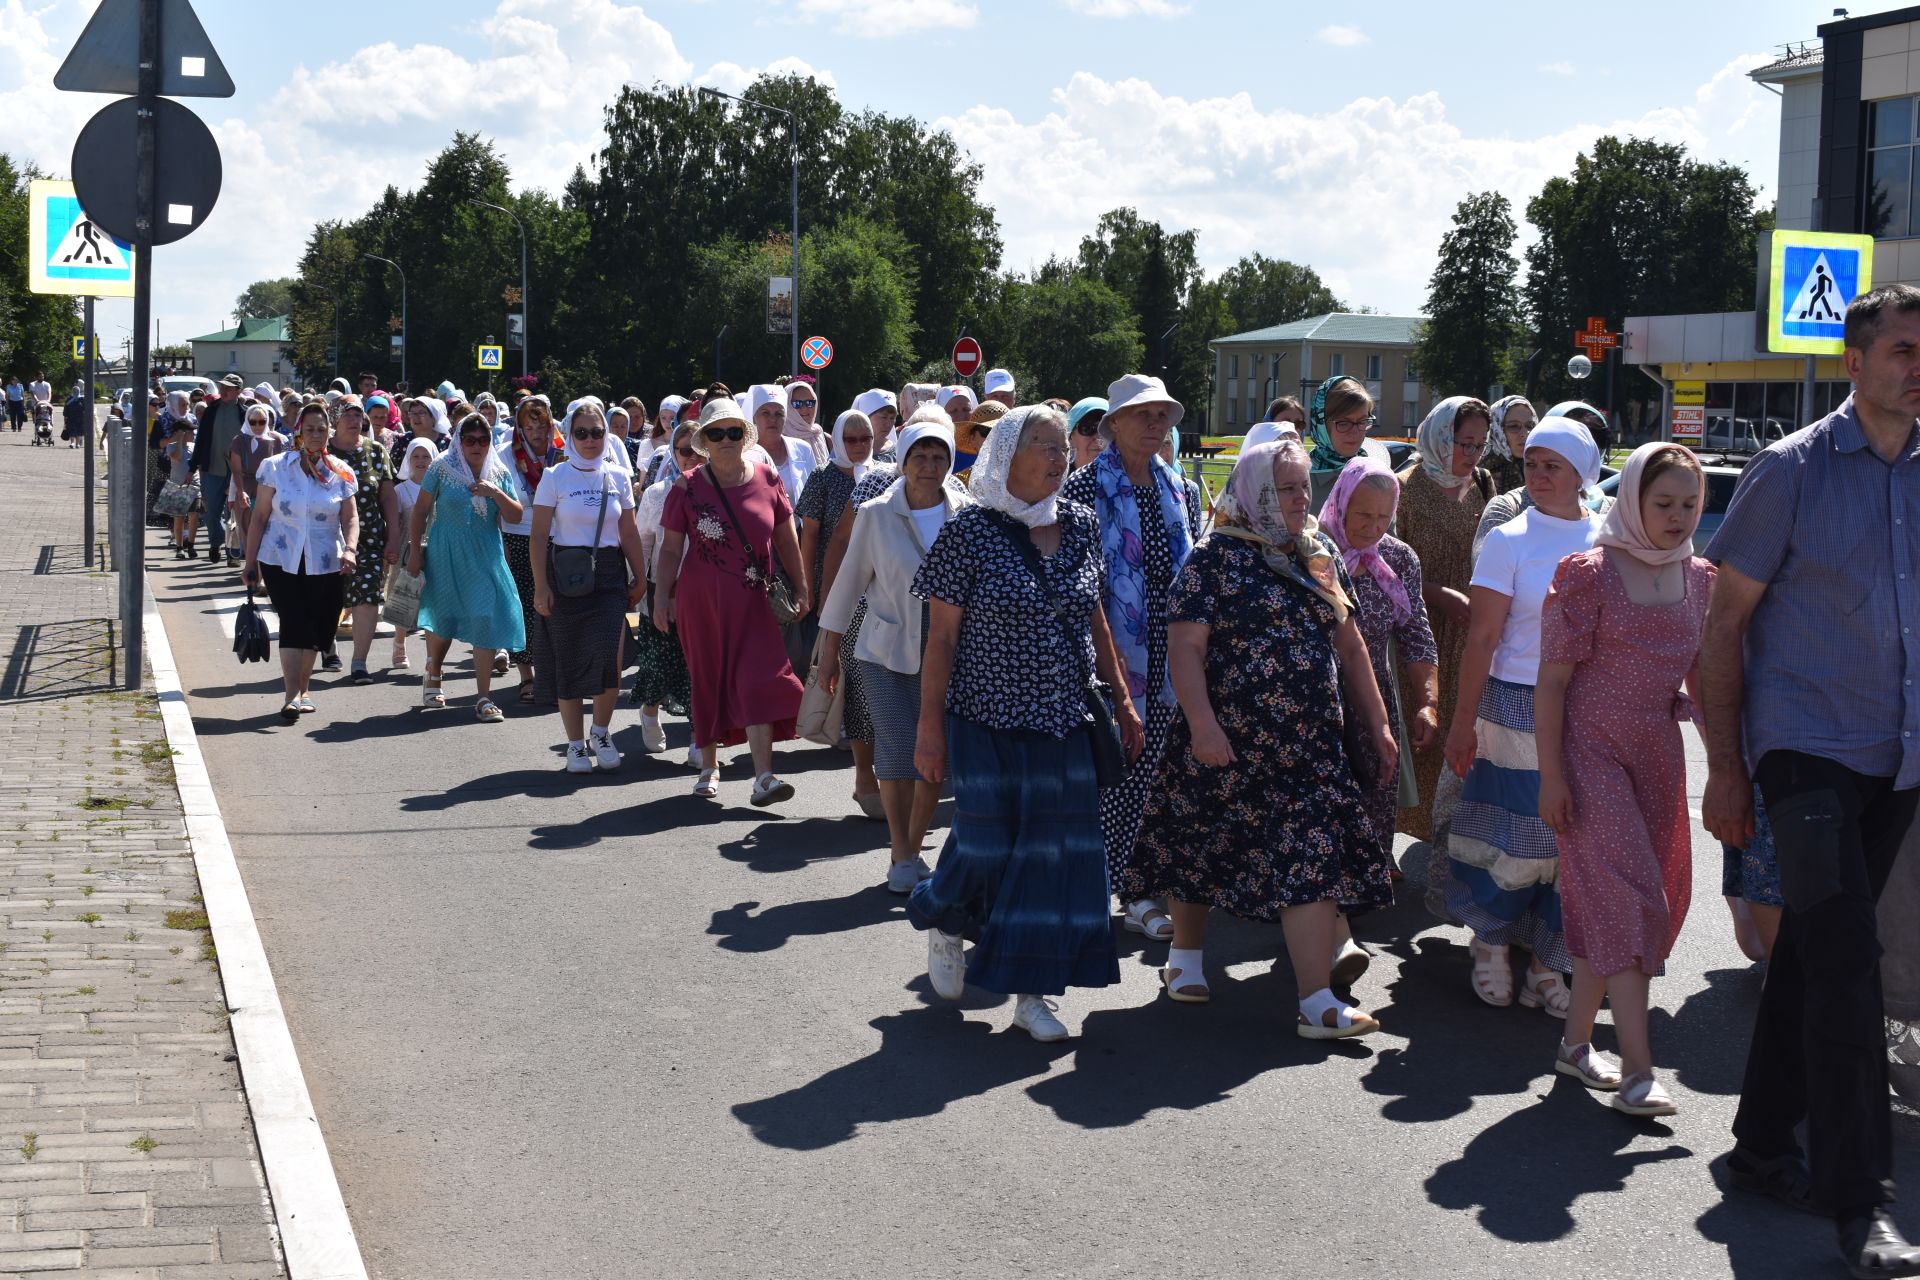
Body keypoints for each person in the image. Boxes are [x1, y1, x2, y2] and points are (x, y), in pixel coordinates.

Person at [1700, 285, 1920, 1278]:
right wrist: (1725, 768)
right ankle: (1858, 1203)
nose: (1919, 367)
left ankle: (1756, 1148)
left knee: (1811, 960)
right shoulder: (1787, 472)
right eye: (1905, 349)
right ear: (1855, 362)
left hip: (1900, 754)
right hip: (1804, 746)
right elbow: (1722, 628)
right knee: (1845, 963)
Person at [1131, 439, 1396, 1035]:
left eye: (1305, 486)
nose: (1301, 498)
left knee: (1313, 860)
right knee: (1201, 847)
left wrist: (1376, 723)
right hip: (1224, 741)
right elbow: (1185, 649)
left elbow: (1350, 645)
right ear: (1255, 492)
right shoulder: (1214, 558)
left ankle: (1316, 1001)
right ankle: (1185, 958)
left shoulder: (1317, 553)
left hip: (1308, 746)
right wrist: (1202, 725)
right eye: (1286, 488)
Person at [907, 404, 1143, 1042]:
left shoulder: (1082, 525)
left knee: (1051, 857)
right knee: (985, 841)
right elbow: (942, 641)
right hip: (983, 717)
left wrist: (1121, 700)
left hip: (1063, 718)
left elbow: (1096, 620)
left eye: (1064, 444)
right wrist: (929, 731)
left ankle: (1032, 995)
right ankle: (944, 914)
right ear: (1007, 454)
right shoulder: (971, 531)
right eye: (1044, 443)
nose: (1060, 454)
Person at [1535, 443, 1711, 1117]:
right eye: (1662, 502)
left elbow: (1703, 680)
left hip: (1657, 756)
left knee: (1620, 901)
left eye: (1689, 504)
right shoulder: (1589, 574)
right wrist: (1552, 776)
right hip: (1589, 753)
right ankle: (1639, 1070)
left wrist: (1728, 764)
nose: (1677, 515)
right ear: (1633, 498)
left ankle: (1576, 1046)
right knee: (1633, 900)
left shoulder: (1701, 578)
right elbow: (1550, 686)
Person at [1441, 416, 1604, 1014]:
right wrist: (1463, 721)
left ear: (1582, 473)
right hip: (1514, 701)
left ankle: (1548, 959)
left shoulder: (1607, 537)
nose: (1537, 474)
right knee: (1524, 836)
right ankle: (1489, 940)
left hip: (1587, 707)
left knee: (1574, 845)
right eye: (1532, 463)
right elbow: (1482, 637)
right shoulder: (1509, 539)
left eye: (1551, 465)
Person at [1058, 374, 1198, 945]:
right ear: (1113, 424)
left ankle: (1136, 885)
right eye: (1143, 414)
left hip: (1170, 657)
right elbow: (1076, 585)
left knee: (1155, 776)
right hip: (1105, 655)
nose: (1156, 424)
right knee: (1111, 772)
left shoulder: (1177, 485)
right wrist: (1106, 672)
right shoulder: (1083, 487)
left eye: (1163, 414)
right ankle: (1111, 885)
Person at [819, 416, 967, 891]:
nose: (929, 465)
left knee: (933, 759)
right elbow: (848, 584)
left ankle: (915, 842)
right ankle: (900, 855)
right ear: (902, 461)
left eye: (939, 455)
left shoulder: (966, 511)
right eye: (919, 456)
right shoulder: (877, 512)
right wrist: (828, 653)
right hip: (884, 650)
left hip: (947, 649)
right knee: (900, 752)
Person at [655, 396, 808, 803]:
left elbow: (786, 538)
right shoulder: (686, 487)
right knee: (707, 678)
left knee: (759, 678)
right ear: (704, 439)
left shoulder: (767, 477)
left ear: (744, 437)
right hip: (701, 602)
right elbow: (670, 549)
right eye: (716, 433)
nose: (726, 439)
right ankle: (708, 764)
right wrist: (659, 597)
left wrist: (802, 585)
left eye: (733, 431)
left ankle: (763, 777)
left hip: (756, 600)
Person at [1320, 456, 1440, 881]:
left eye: (1384, 517)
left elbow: (1416, 633)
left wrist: (1428, 703)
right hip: (1317, 696)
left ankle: (1365, 878)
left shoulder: (1398, 559)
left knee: (1375, 789)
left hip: (1375, 696)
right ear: (1341, 503)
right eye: (1363, 514)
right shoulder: (1311, 552)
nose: (1373, 527)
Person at [1394, 397, 1494, 848]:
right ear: (1438, 436)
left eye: (1479, 445)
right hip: (1416, 631)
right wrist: (1435, 593)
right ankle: (1385, 840)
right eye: (1462, 443)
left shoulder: (1484, 485)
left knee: (1461, 731)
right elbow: (1384, 568)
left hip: (1470, 633)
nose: (1471, 455)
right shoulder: (1404, 487)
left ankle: (1446, 837)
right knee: (1416, 738)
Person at [531, 400, 648, 771]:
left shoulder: (616, 476)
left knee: (609, 658)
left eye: (597, 432)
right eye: (581, 433)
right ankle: (576, 744)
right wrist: (539, 586)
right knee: (570, 656)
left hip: (610, 575)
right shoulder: (555, 477)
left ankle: (600, 730)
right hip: (567, 574)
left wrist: (641, 575)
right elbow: (537, 537)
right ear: (568, 435)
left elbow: (628, 531)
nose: (590, 439)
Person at [242, 406, 360, 721]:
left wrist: (350, 549)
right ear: (299, 431)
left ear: (329, 432)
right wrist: (250, 561)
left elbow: (350, 517)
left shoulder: (341, 472)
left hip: (326, 560)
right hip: (280, 558)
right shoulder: (276, 467)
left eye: (321, 429)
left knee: (319, 627)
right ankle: (292, 694)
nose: (316, 435)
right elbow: (260, 517)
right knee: (294, 621)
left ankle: (304, 690)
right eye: (310, 429)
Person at [406, 414, 526, 721]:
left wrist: (494, 493)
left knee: (484, 618)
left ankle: (484, 698)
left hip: (485, 553)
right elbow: (420, 511)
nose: (477, 446)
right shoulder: (441, 468)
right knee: (444, 618)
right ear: (459, 441)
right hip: (445, 551)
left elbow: (515, 515)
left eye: (483, 440)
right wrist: (415, 553)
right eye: (469, 440)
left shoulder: (497, 472)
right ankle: (434, 672)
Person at [1474, 400, 1613, 556]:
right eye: (1531, 464)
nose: (1538, 477)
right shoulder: (1506, 510)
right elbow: (1487, 565)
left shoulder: (1612, 516)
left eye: (1552, 466)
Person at [633, 422, 699, 752]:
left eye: (698, 449)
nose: (692, 457)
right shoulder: (658, 495)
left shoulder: (715, 494)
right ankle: (649, 711)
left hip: (701, 597)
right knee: (658, 666)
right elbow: (644, 545)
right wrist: (643, 591)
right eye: (684, 450)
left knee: (697, 669)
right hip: (660, 591)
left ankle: (698, 742)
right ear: (673, 452)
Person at [794, 410, 874, 679]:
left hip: (871, 578)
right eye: (851, 440)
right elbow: (810, 535)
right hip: (829, 576)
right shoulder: (822, 476)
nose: (860, 446)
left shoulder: (881, 475)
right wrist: (808, 587)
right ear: (838, 440)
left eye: (866, 438)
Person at [327, 398, 402, 684]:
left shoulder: (375, 451)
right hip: (327, 537)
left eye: (358, 415)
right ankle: (328, 647)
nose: (354, 420)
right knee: (329, 597)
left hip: (369, 538)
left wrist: (393, 536)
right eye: (347, 414)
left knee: (368, 597)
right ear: (335, 418)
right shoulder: (322, 450)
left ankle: (359, 661)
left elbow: (387, 497)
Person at [496, 395, 560, 702]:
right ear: (520, 428)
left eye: (542, 425)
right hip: (518, 536)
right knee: (523, 604)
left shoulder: (561, 454)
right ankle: (526, 674)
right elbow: (494, 501)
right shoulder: (505, 456)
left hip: (556, 535)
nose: (537, 432)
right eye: (530, 426)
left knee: (555, 604)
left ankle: (553, 670)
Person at [188, 374, 251, 565]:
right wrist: (192, 468)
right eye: (222, 387)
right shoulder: (210, 411)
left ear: (238, 391)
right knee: (211, 512)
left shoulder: (245, 413)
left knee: (234, 512)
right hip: (211, 469)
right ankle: (216, 542)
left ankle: (232, 552)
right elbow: (200, 441)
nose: (224, 391)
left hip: (237, 472)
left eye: (229, 388)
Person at [1306, 375, 1393, 512]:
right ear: (1322, 425)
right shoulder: (1299, 482)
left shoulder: (1377, 476)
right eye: (1344, 423)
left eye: (1362, 421)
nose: (1355, 432)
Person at [389, 438, 436, 670]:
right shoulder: (400, 490)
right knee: (405, 599)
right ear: (408, 459)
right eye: (415, 456)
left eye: (426, 456)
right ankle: (399, 644)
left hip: (436, 551)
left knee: (432, 604)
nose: (420, 461)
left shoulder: (440, 488)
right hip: (407, 552)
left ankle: (431, 657)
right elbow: (394, 524)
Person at [225, 404, 286, 575]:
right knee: (249, 534)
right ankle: (254, 572)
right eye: (253, 422)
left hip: (271, 492)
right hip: (247, 490)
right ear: (247, 421)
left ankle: (264, 575)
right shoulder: (239, 441)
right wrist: (239, 491)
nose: (258, 426)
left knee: (269, 534)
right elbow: (236, 471)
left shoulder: (278, 440)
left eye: (262, 421)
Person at [161, 420, 199, 559]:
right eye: (189, 431)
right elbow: (177, 457)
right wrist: (180, 440)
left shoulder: (194, 447)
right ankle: (179, 547)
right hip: (177, 486)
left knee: (194, 516)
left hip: (194, 485)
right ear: (180, 433)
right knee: (179, 518)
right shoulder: (171, 447)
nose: (193, 434)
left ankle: (191, 545)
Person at [1484, 395, 1535, 494]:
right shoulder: (1479, 475)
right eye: (1514, 426)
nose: (1524, 434)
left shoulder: (1540, 466)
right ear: (1497, 430)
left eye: (1529, 426)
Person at [782, 378, 827, 464]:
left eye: (810, 403)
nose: (804, 408)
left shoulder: (820, 435)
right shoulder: (779, 440)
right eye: (797, 404)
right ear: (787, 405)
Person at [1066, 397, 1107, 471]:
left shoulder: (1130, 480)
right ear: (1071, 436)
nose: (1098, 437)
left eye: (1106, 429)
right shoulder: (1056, 479)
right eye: (1088, 428)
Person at [60, 383, 87, 448]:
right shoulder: (69, 399)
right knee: (72, 430)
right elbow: (66, 408)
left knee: (78, 431)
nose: (76, 392)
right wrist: (65, 416)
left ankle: (77, 444)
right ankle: (72, 443)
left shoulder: (82, 399)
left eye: (77, 391)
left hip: (80, 418)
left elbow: (85, 408)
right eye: (74, 391)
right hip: (71, 418)